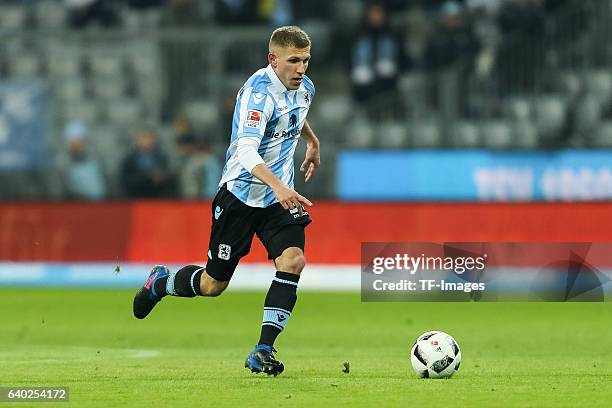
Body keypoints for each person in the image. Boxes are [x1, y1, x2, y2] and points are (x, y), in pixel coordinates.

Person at [133, 26, 321, 377]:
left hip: (276, 200)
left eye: (306, 61)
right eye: (293, 61)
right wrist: (279, 186)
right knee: (213, 285)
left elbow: (297, 114)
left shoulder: (305, 87)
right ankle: (159, 284)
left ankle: (263, 349)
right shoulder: (258, 94)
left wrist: (312, 141)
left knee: (294, 261)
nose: (301, 69)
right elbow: (246, 149)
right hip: (239, 195)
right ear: (273, 59)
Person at [120, 127, 176, 198]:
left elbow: (169, 175)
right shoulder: (129, 159)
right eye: (144, 137)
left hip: (158, 198)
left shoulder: (162, 157)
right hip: (137, 198)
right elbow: (126, 180)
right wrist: (148, 177)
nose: (148, 140)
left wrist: (162, 178)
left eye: (150, 137)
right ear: (138, 140)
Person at [61, 121, 107, 200]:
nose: (75, 145)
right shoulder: (62, 165)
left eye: (78, 141)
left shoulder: (97, 162)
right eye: (72, 142)